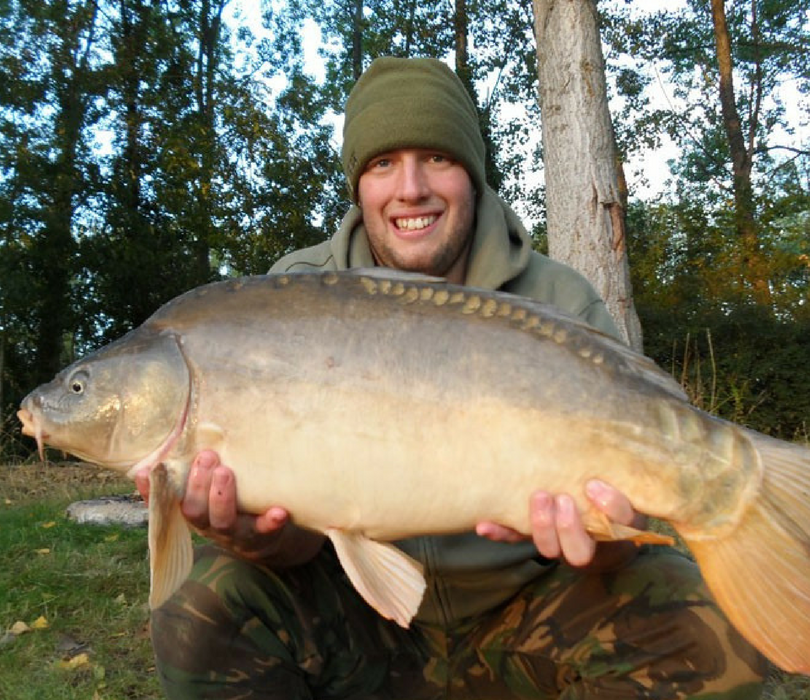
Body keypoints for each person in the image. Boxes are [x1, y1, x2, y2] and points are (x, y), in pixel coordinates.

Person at [138, 57, 768, 699]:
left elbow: (620, 544)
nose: (410, 188)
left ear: (472, 172)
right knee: (204, 603)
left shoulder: (558, 302)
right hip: (362, 625)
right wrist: (255, 538)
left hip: (528, 617)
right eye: (382, 164)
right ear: (359, 184)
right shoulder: (288, 301)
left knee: (710, 636)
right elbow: (297, 540)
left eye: (436, 158)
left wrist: (598, 542)